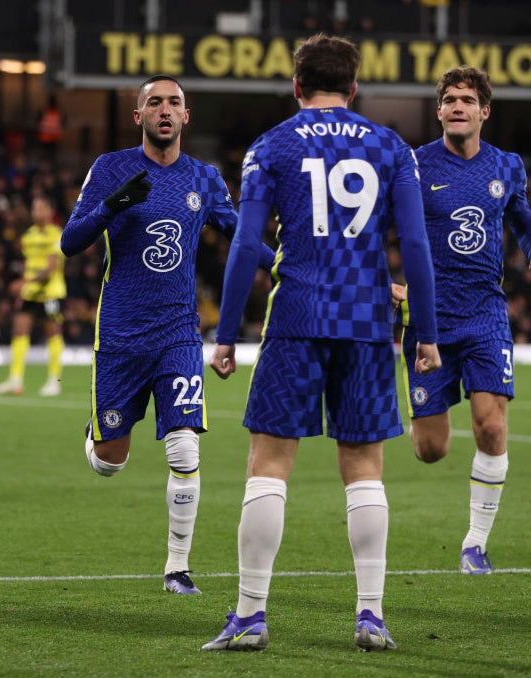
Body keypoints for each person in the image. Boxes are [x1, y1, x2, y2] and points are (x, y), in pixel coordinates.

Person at [201, 34, 441, 652]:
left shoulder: (270, 147)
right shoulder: (393, 147)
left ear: (297, 85)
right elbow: (414, 247)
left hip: (296, 318)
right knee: (363, 469)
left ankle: (251, 616)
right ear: (354, 87)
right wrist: (428, 333)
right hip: (365, 322)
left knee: (270, 464)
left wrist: (226, 334)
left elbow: (246, 244)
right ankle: (371, 615)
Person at [60, 75, 275, 595]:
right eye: (153, 102)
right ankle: (97, 436)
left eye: (173, 102)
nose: (164, 109)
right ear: (138, 116)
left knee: (184, 448)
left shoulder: (203, 177)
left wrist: (289, 266)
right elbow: (71, 242)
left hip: (179, 331)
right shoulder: (111, 167)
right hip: (119, 332)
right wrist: (112, 205)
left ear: (186, 116)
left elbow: (242, 237)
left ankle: (177, 568)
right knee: (111, 462)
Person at [395, 65, 531, 575]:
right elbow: (373, 229)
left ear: (484, 111)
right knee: (431, 450)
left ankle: (475, 542)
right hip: (427, 321)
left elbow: (523, 224)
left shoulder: (508, 166)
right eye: (449, 99)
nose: (457, 106)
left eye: (467, 100)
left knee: (492, 427)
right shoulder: (412, 166)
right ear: (438, 110)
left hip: (485, 315)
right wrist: (387, 284)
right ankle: (424, 415)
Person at [0, 193, 66, 396]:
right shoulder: (29, 235)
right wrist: (24, 289)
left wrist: (24, 282)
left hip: (51, 292)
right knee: (19, 331)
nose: (37, 212)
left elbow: (51, 268)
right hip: (30, 292)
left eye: (41, 207)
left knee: (53, 334)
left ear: (50, 211)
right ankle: (15, 380)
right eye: (34, 208)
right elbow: (28, 265)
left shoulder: (57, 234)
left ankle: (54, 380)